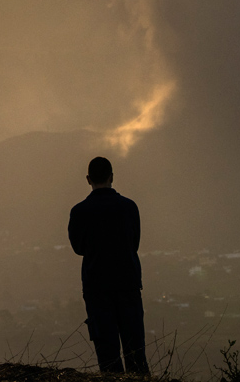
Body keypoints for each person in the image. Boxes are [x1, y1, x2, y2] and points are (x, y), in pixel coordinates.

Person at [68, 157, 149, 374]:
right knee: (135, 351)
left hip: (97, 287)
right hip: (127, 283)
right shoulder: (129, 207)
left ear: (88, 179)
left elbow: (78, 248)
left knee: (107, 353)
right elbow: (135, 243)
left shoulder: (79, 212)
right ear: (112, 177)